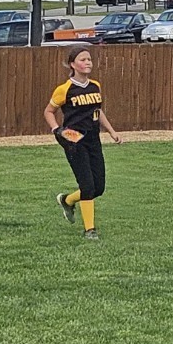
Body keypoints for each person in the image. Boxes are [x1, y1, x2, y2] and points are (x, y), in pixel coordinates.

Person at [44, 45, 122, 240]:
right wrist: (56, 129)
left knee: (99, 187)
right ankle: (90, 230)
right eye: (82, 59)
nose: (87, 62)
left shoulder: (95, 85)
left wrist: (111, 131)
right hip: (73, 138)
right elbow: (48, 112)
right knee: (87, 186)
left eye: (89, 59)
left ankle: (67, 200)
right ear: (72, 64)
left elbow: (97, 111)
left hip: (93, 139)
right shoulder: (64, 90)